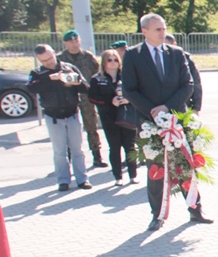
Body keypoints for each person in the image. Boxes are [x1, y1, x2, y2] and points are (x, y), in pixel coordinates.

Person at [121, 13, 213, 232]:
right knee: (157, 170)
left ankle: (195, 210)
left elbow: (187, 84)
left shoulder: (176, 53)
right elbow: (129, 89)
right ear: (144, 31)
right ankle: (158, 215)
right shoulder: (133, 55)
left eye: (163, 28)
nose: (163, 33)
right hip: (149, 124)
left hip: (176, 121)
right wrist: (153, 111)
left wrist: (167, 108)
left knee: (184, 167)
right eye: (157, 30)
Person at [26, 45, 92, 191]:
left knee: (78, 150)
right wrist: (50, 79)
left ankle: (82, 179)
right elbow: (31, 88)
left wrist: (76, 82)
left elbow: (87, 88)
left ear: (54, 53)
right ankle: (63, 181)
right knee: (59, 152)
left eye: (50, 58)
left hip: (73, 113)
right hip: (53, 116)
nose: (49, 62)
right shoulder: (38, 73)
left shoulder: (69, 68)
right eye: (44, 61)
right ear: (39, 60)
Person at [88, 49, 138, 186]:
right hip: (109, 117)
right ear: (104, 62)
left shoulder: (127, 76)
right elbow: (92, 97)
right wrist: (109, 101)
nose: (113, 62)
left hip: (127, 115)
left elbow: (138, 91)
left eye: (115, 59)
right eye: (109, 60)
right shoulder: (97, 79)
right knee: (114, 147)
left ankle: (133, 175)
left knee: (130, 146)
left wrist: (129, 100)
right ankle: (118, 176)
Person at [57, 29, 106, 168]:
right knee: (69, 129)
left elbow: (97, 74)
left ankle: (97, 156)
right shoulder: (60, 59)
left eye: (76, 40)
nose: (74, 43)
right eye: (71, 41)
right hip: (68, 98)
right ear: (65, 43)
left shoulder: (88, 56)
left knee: (91, 126)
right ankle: (70, 158)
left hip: (87, 98)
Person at [164, 34, 203, 112]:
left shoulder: (185, 59)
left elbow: (195, 83)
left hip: (182, 106)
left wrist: (196, 107)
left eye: (167, 45)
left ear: (174, 44)